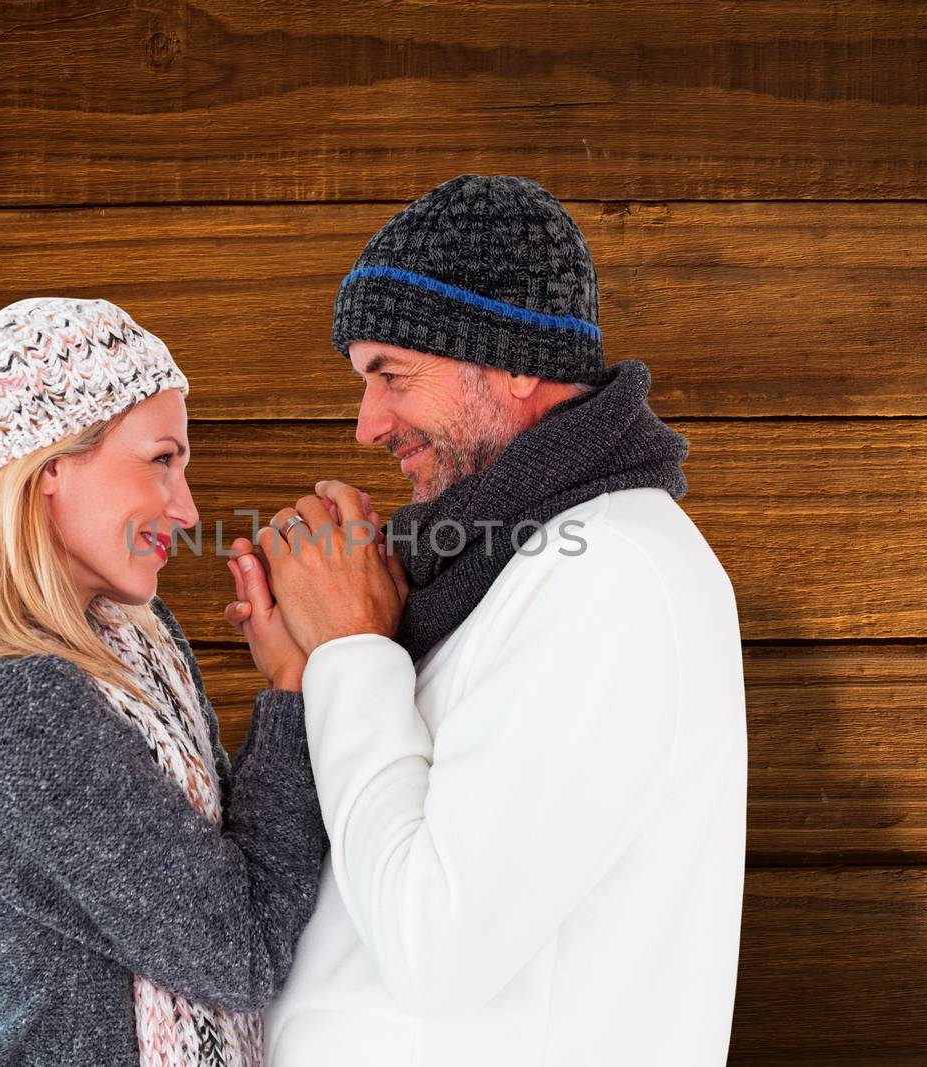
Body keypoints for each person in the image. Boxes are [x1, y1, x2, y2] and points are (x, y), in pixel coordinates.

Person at [238, 175, 748, 1065]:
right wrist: (314, 672)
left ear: (513, 358)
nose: (367, 425)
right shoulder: (499, 566)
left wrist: (354, 653)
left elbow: (437, 946)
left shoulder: (612, 573)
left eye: (391, 375)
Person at [0, 296, 328, 1066]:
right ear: (50, 469)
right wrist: (293, 689)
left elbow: (212, 877)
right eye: (160, 459)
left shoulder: (134, 642)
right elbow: (242, 948)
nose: (185, 508)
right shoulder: (15, 710)